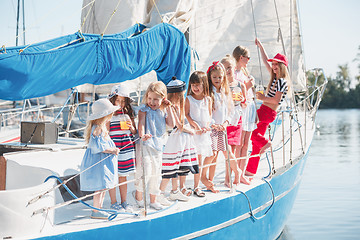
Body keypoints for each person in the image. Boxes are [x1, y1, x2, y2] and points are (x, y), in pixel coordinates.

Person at [246, 38, 290, 175]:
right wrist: (260, 46)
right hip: (265, 111)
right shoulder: (275, 77)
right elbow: (266, 61)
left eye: (277, 64)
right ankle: (250, 171)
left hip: (267, 111)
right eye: (274, 64)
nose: (274, 66)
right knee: (256, 145)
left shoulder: (282, 81)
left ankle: (267, 143)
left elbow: (276, 100)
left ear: (283, 66)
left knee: (250, 132)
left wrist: (262, 98)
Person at [134, 81, 175, 210]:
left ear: (163, 99)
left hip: (158, 145)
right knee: (145, 171)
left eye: (156, 99)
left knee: (156, 173)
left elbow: (171, 124)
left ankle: (153, 199)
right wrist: (142, 135)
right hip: (146, 144)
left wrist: (169, 108)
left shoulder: (163, 110)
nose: (152, 102)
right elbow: (140, 124)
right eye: (150, 98)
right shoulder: (143, 109)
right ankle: (139, 196)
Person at [158, 77, 199, 205]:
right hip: (176, 140)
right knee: (171, 166)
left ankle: (175, 190)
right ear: (177, 93)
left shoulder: (176, 106)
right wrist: (190, 130)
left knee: (178, 166)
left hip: (181, 140)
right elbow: (178, 125)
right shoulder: (170, 106)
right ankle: (160, 192)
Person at [80, 99, 120, 219]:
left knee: (103, 186)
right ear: (105, 115)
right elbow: (97, 147)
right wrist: (112, 150)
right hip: (99, 162)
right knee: (100, 186)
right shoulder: (98, 129)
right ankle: (96, 211)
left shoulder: (100, 127)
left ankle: (99, 208)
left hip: (102, 162)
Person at [205, 62, 240, 192]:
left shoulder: (226, 92)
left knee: (228, 153)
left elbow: (230, 111)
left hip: (223, 128)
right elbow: (208, 111)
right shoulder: (209, 93)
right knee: (213, 155)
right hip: (213, 128)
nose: (217, 80)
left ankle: (237, 172)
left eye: (220, 77)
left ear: (223, 77)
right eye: (214, 77)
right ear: (210, 78)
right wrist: (213, 123)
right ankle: (210, 180)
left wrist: (225, 123)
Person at [107, 84, 137, 212]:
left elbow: (135, 132)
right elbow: (106, 133)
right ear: (112, 100)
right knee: (113, 177)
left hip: (125, 149)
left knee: (123, 176)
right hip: (114, 149)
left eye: (123, 101)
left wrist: (131, 127)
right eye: (118, 100)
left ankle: (124, 201)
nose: (120, 104)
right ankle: (114, 202)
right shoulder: (108, 115)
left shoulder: (128, 114)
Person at [220, 55, 249, 186]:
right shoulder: (221, 86)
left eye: (229, 67)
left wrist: (242, 99)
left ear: (234, 67)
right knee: (227, 151)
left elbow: (244, 103)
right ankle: (236, 172)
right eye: (224, 68)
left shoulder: (240, 84)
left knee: (232, 149)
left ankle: (228, 178)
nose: (227, 70)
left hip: (237, 119)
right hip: (226, 118)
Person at [185, 71, 212, 197]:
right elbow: (186, 114)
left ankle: (197, 186)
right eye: (193, 85)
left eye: (198, 85)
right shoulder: (189, 99)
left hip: (204, 134)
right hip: (193, 133)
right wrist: (195, 125)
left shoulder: (208, 100)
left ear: (204, 84)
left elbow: (209, 115)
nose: (195, 88)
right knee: (193, 160)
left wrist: (206, 126)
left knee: (201, 160)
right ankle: (183, 186)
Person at [233, 46, 257, 183]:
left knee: (246, 144)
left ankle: (241, 173)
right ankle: (237, 174)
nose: (249, 60)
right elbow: (235, 94)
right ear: (241, 57)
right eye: (248, 57)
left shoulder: (244, 72)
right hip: (242, 108)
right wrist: (247, 86)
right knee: (239, 143)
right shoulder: (234, 74)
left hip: (250, 107)